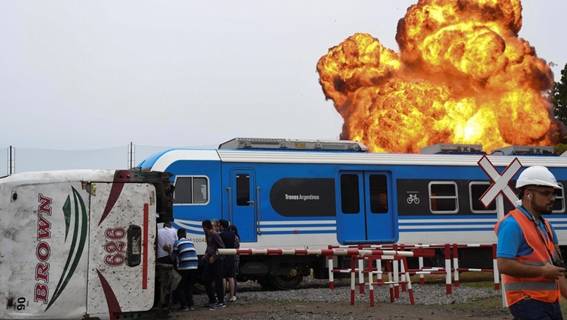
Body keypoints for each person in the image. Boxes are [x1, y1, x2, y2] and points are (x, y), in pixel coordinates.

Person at [495, 166, 567, 320]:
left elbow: (557, 269)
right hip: (526, 301)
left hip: (550, 301)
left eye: (554, 193)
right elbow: (503, 265)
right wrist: (543, 272)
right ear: (528, 194)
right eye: (546, 193)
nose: (553, 198)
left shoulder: (546, 226)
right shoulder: (512, 224)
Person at [156, 219, 180, 311]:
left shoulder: (158, 232)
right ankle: (171, 302)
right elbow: (176, 244)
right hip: (170, 260)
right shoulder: (174, 231)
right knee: (172, 282)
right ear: (171, 224)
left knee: (163, 283)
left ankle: (162, 303)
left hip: (161, 260)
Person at [172, 228, 198, 311]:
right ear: (185, 235)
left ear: (178, 235)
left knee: (180, 287)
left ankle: (184, 306)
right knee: (189, 286)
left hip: (185, 267)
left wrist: (168, 250)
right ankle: (191, 305)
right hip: (194, 266)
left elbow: (173, 258)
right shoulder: (190, 242)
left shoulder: (177, 243)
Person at [202, 219, 225, 309]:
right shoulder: (207, 234)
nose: (203, 229)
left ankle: (221, 301)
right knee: (206, 279)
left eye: (203, 227)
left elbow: (222, 247)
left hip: (217, 261)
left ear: (205, 227)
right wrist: (206, 254)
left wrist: (214, 257)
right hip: (209, 260)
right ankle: (212, 300)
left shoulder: (215, 235)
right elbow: (210, 247)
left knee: (218, 281)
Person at [219, 220, 239, 302]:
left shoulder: (221, 235)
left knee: (223, 277)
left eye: (219, 225)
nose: (219, 226)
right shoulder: (233, 235)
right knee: (231, 277)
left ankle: (222, 296)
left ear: (222, 226)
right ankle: (232, 296)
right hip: (231, 256)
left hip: (223, 257)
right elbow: (236, 245)